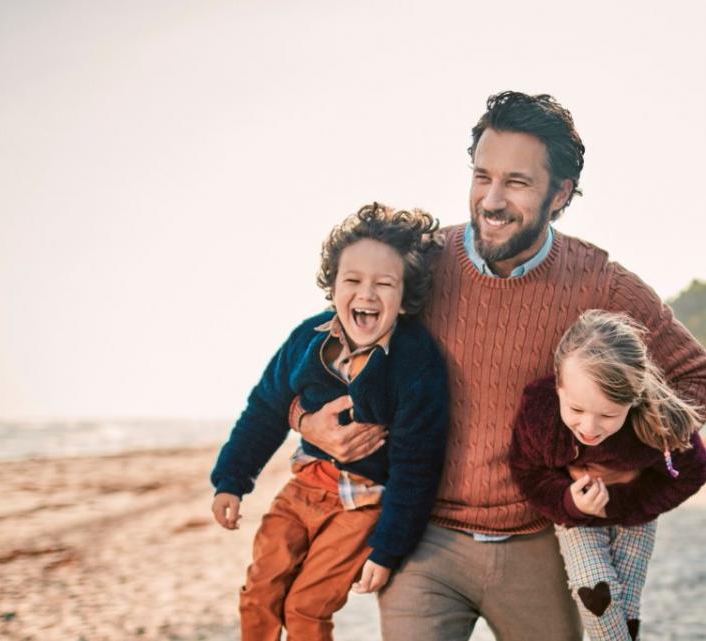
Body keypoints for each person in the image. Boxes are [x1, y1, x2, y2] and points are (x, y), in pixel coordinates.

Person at [290, 91, 706, 641]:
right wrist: (305, 420)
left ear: (560, 194)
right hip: (421, 539)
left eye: (516, 182)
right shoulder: (418, 266)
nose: (491, 199)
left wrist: (619, 454)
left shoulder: (603, 283)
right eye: (481, 176)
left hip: (545, 542)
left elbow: (693, 379)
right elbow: (322, 356)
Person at [210, 204, 450, 641]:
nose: (367, 294)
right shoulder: (308, 338)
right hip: (303, 487)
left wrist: (388, 550)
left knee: (305, 608)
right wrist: (231, 479)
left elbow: (419, 465)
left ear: (406, 293)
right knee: (259, 592)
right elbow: (265, 407)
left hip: (362, 503)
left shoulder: (417, 362)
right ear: (334, 285)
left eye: (385, 283)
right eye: (353, 280)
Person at [510, 310, 706, 641]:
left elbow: (692, 472)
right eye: (576, 410)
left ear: (634, 399)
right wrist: (568, 501)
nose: (589, 428)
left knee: (626, 606)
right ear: (558, 384)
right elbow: (526, 470)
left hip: (634, 518)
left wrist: (626, 502)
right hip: (576, 516)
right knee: (595, 593)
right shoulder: (539, 410)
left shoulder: (657, 419)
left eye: (608, 415)